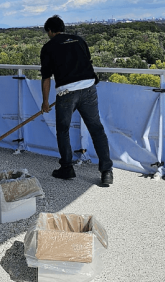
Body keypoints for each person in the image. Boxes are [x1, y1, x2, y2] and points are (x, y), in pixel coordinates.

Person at [40, 15, 113, 185]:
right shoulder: (79, 40)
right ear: (63, 28)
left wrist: (45, 103)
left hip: (66, 93)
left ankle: (67, 168)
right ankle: (106, 171)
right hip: (89, 88)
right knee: (96, 129)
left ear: (50, 31)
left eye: (48, 32)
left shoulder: (49, 47)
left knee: (63, 130)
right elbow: (87, 62)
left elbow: (46, 78)